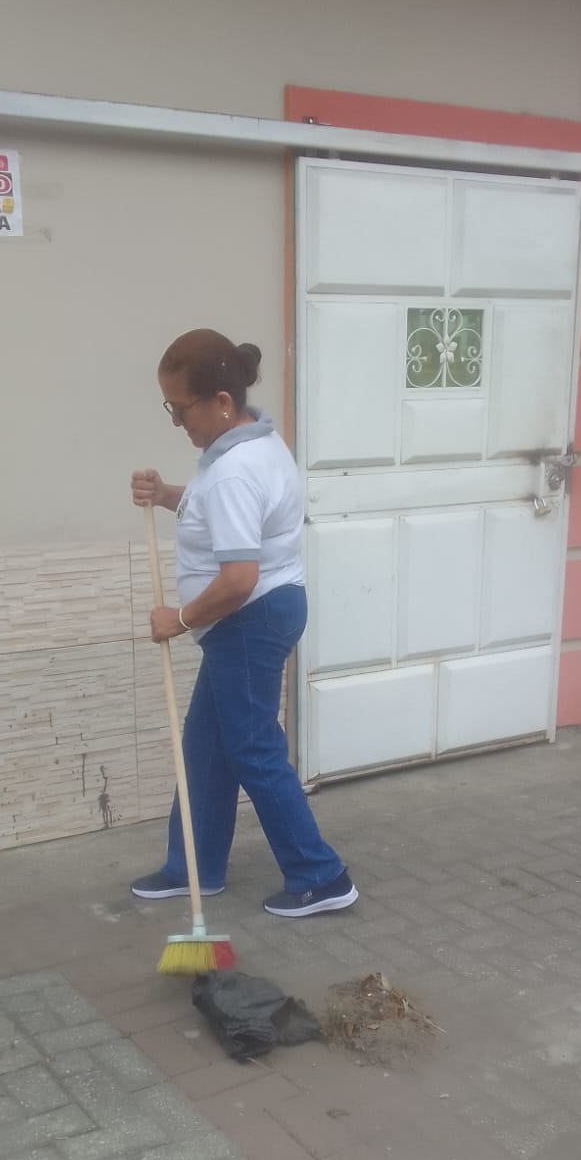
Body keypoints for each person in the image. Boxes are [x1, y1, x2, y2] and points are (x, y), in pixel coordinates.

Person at [130, 328, 357, 917]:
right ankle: (194, 866)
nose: (177, 422)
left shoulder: (234, 468)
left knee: (253, 747)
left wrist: (178, 619)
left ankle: (320, 875)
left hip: (248, 620)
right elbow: (216, 511)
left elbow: (237, 579)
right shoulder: (253, 442)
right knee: (206, 746)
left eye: (180, 409)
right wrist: (167, 494)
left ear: (222, 402)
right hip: (257, 616)